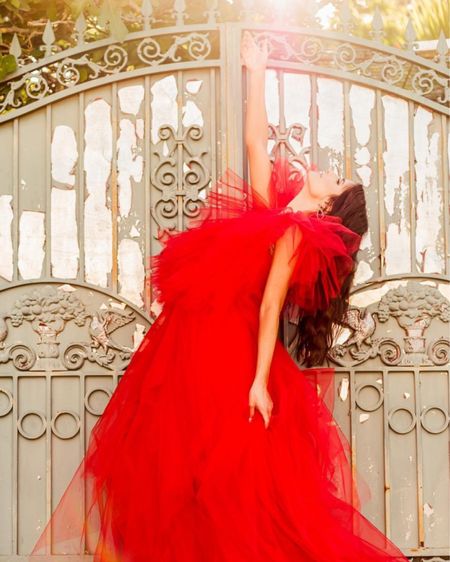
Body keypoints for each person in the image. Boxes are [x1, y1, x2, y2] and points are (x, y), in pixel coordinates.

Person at [28, 34, 410, 562]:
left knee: (225, 480)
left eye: (337, 180)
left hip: (228, 347)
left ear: (329, 207)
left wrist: (257, 382)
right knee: (170, 463)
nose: (328, 170)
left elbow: (271, 305)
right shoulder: (272, 208)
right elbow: (256, 144)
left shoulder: (299, 232)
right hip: (191, 336)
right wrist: (256, 70)